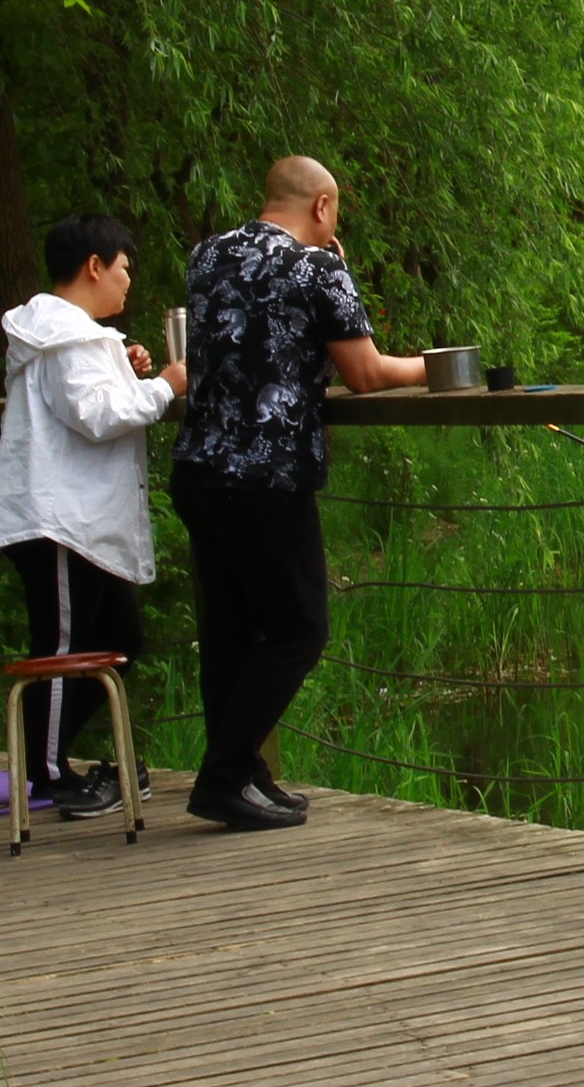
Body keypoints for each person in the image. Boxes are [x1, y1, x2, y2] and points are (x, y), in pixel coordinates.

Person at [167, 156, 425, 830]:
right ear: (322, 208)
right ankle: (223, 777)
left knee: (230, 629)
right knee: (298, 628)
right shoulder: (317, 268)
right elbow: (365, 373)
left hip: (198, 470)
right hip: (267, 473)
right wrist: (436, 366)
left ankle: (245, 774)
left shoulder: (207, 256)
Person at [0, 214, 187, 818]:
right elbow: (95, 415)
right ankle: (48, 773)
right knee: (62, 644)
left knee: (121, 638)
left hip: (76, 522)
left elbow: (86, 398)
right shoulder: (65, 336)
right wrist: (168, 387)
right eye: (124, 269)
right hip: (57, 521)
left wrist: (122, 367)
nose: (128, 283)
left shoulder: (68, 335)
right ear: (94, 266)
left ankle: (49, 754)